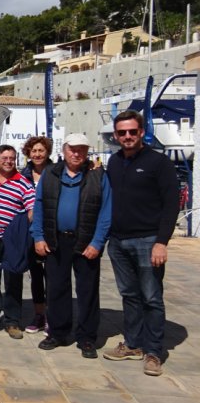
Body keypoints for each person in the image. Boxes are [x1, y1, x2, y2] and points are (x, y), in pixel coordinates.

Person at [102, 110, 179, 376]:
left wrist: (162, 242)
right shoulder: (113, 162)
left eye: (132, 132)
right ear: (115, 135)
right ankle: (133, 344)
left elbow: (172, 204)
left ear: (141, 132)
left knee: (152, 297)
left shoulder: (159, 163)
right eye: (122, 132)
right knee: (129, 295)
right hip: (119, 241)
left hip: (148, 241)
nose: (127, 137)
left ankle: (154, 351)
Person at [30, 133, 111, 359]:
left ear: (87, 152)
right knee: (56, 289)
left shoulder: (97, 176)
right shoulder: (51, 173)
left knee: (87, 291)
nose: (77, 153)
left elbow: (106, 212)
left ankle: (86, 337)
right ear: (64, 150)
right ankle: (58, 332)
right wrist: (38, 237)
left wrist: (97, 242)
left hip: (85, 241)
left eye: (81, 149)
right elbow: (39, 206)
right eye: (72, 149)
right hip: (56, 240)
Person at [0, 145, 35, 339]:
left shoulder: (23, 183)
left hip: (12, 242)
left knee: (13, 281)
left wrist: (19, 229)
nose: (9, 161)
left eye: (12, 158)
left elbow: (32, 208)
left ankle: (12, 320)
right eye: (5, 158)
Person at [19, 136, 54, 334]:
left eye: (41, 151)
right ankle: (39, 314)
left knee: (53, 276)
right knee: (36, 276)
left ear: (47, 152)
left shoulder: (56, 172)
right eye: (34, 151)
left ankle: (52, 315)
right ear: (28, 153)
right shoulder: (24, 175)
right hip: (30, 232)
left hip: (51, 231)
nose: (37, 154)